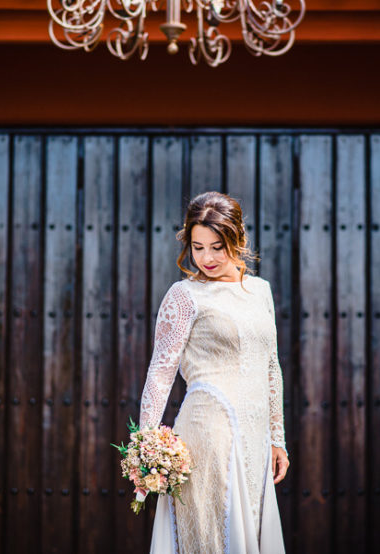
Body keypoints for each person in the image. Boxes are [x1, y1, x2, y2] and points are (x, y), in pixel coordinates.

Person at [139, 191, 289, 554]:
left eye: (217, 246)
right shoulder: (184, 294)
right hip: (208, 433)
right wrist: (147, 447)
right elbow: (160, 373)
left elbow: (271, 366)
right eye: (197, 246)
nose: (206, 258)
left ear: (237, 238)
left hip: (254, 437)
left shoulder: (260, 291)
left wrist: (277, 438)